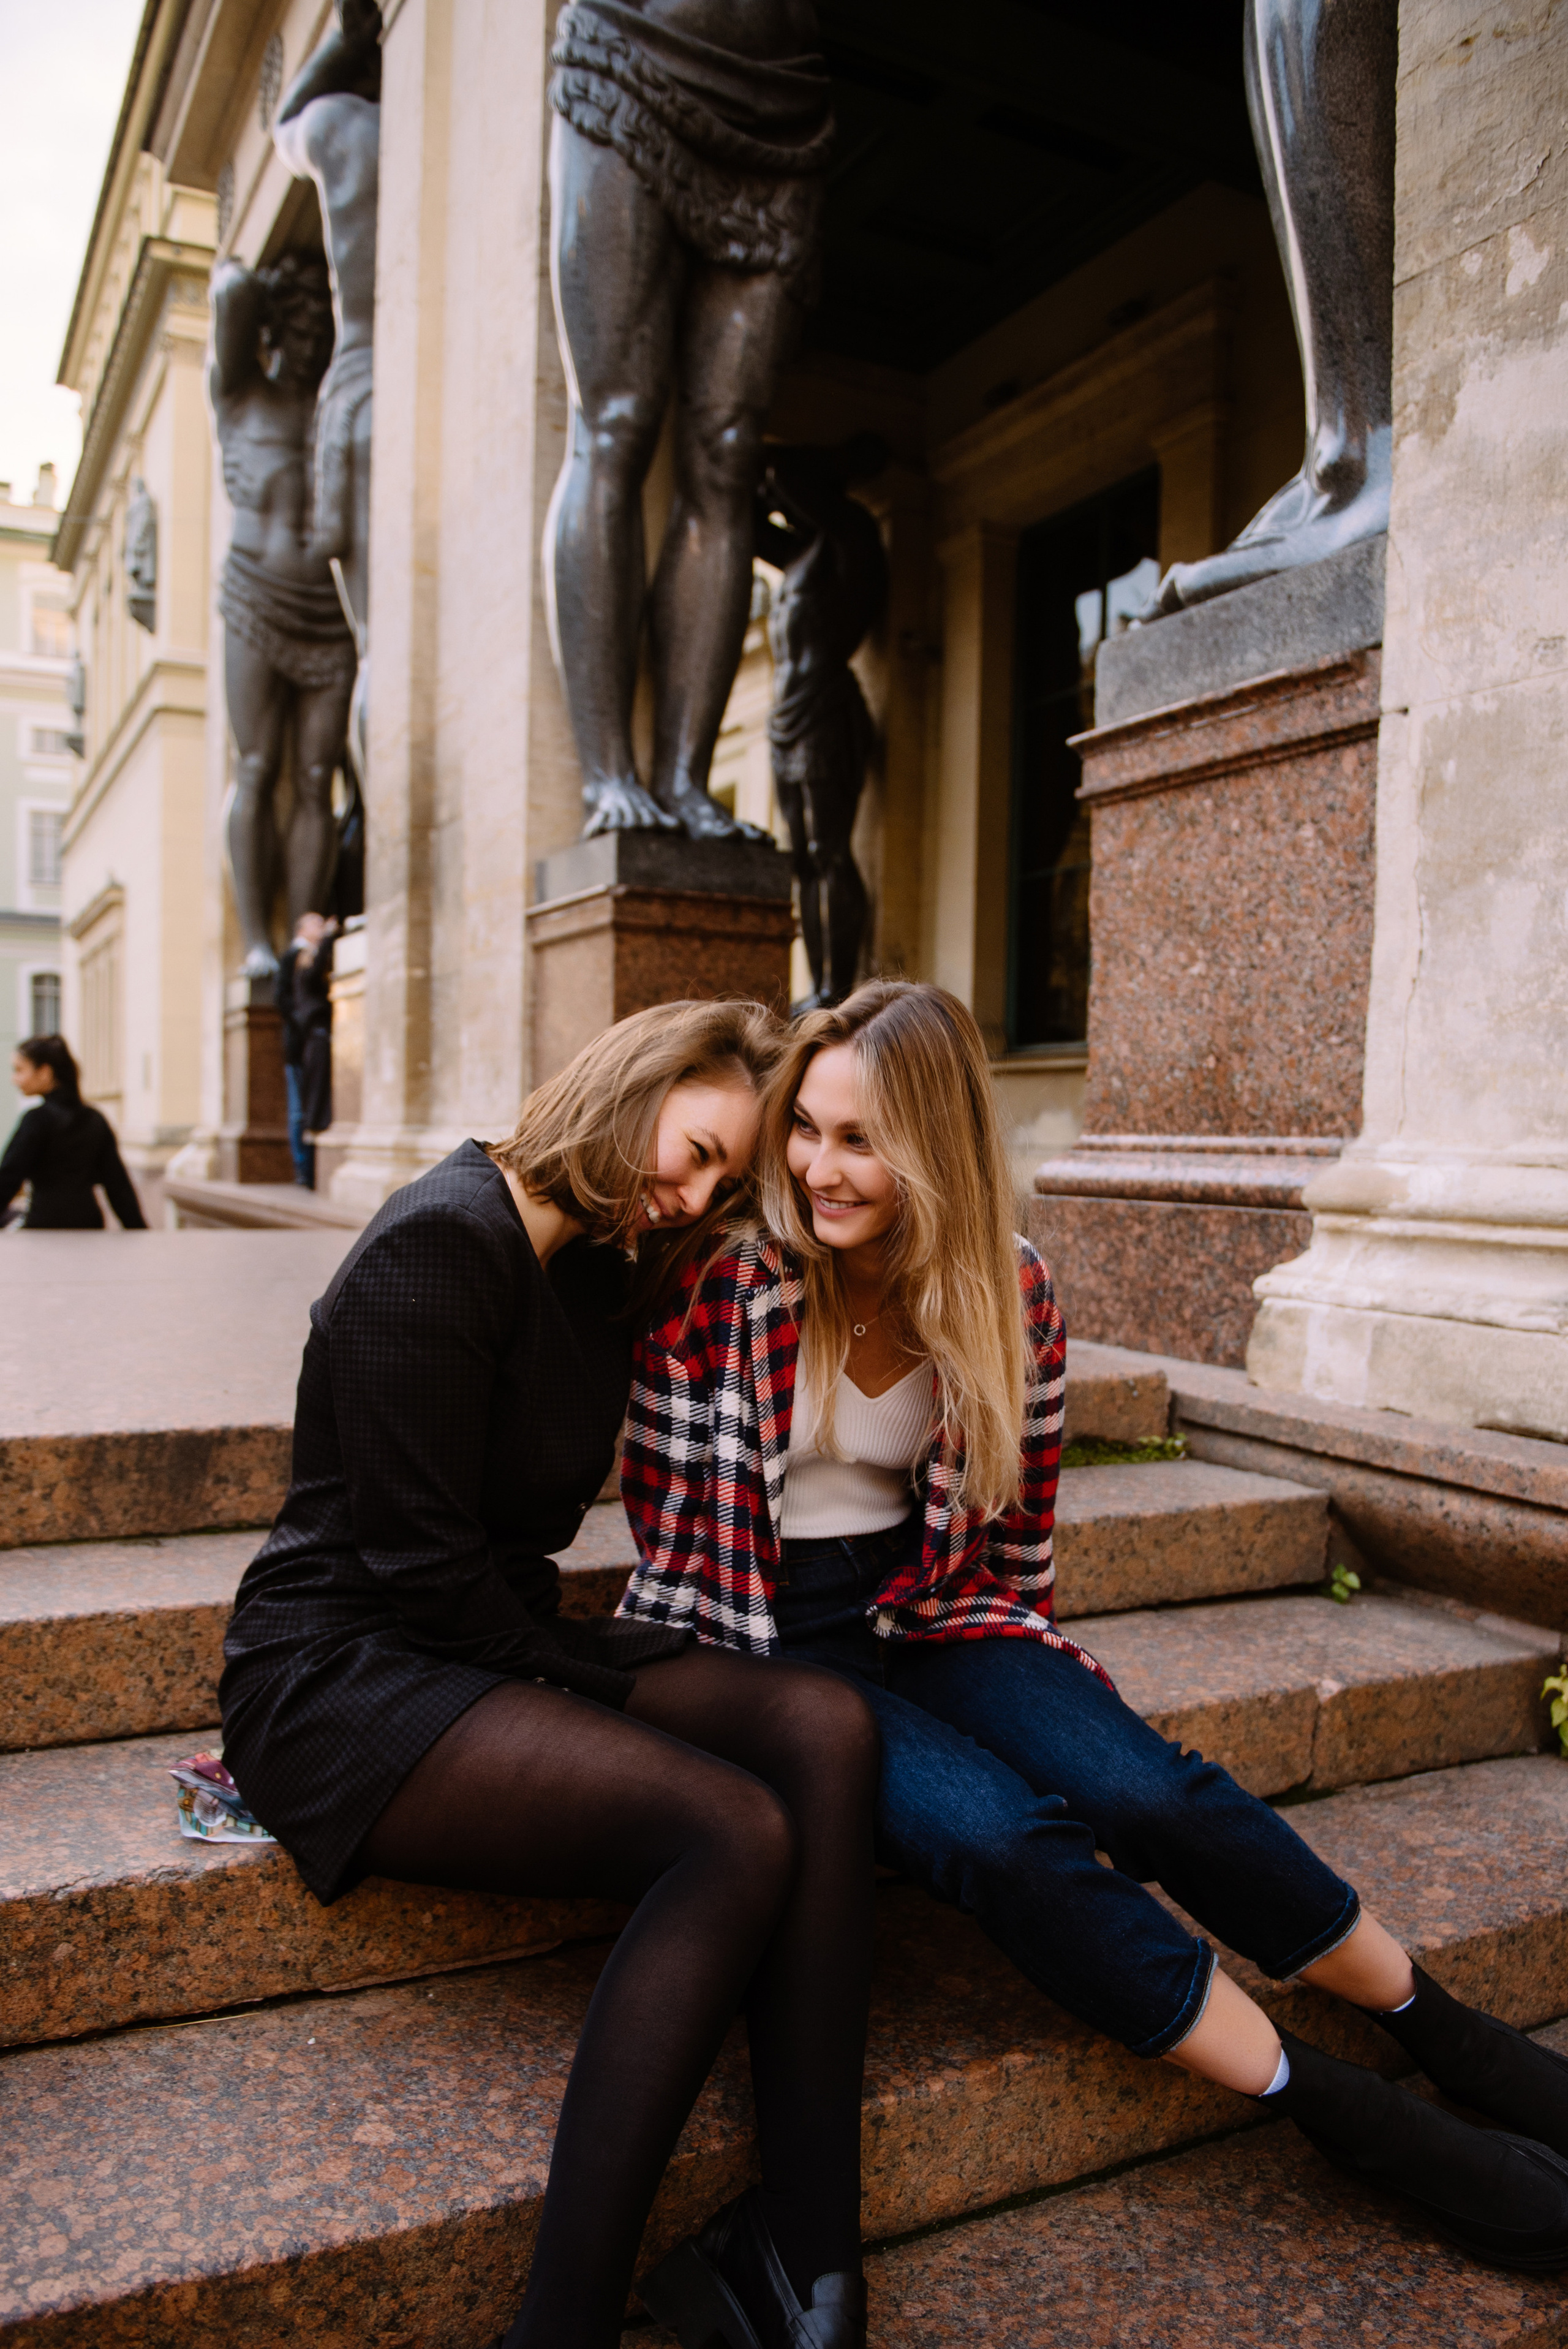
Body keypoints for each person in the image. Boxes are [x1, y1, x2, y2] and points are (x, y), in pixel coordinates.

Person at [619, 978, 1568, 2273]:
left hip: (933, 1609)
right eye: (807, 1129)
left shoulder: (1008, 1292)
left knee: (1145, 1792)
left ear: (936, 1147)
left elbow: (1013, 1548)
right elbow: (674, 1538)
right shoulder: (728, 1283)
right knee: (1000, 1837)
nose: (816, 1167)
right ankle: (1335, 2108)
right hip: (772, 1641)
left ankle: (1438, 2026)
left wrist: (1028, 1694)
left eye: (859, 1140)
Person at [219, 999, 878, 2349]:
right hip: (345, 1669)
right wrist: (594, 1672)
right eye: (692, 1150)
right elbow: (415, 1573)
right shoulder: (439, 1240)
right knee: (731, 1828)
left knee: (822, 1725)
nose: (685, 1196)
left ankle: (807, 2257)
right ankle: (559, 2330)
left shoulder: (593, 1251)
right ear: (640, 1079)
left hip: (487, 1635)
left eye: (715, 1182)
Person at [0, 1035, 147, 1230]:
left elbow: (8, 1179)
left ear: (44, 1072)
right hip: (89, 1226)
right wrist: (139, 1231)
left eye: (19, 1070)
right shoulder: (95, 1119)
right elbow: (118, 1185)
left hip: (45, 1229)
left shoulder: (37, 1120)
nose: (14, 1079)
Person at [276, 913, 337, 1188]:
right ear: (301, 928)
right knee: (300, 1110)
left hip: (307, 1041)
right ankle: (304, 1169)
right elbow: (285, 999)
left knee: (307, 1108)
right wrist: (302, 1024)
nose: (320, 925)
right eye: (315, 923)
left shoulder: (307, 955)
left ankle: (307, 1168)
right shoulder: (295, 957)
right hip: (301, 1044)